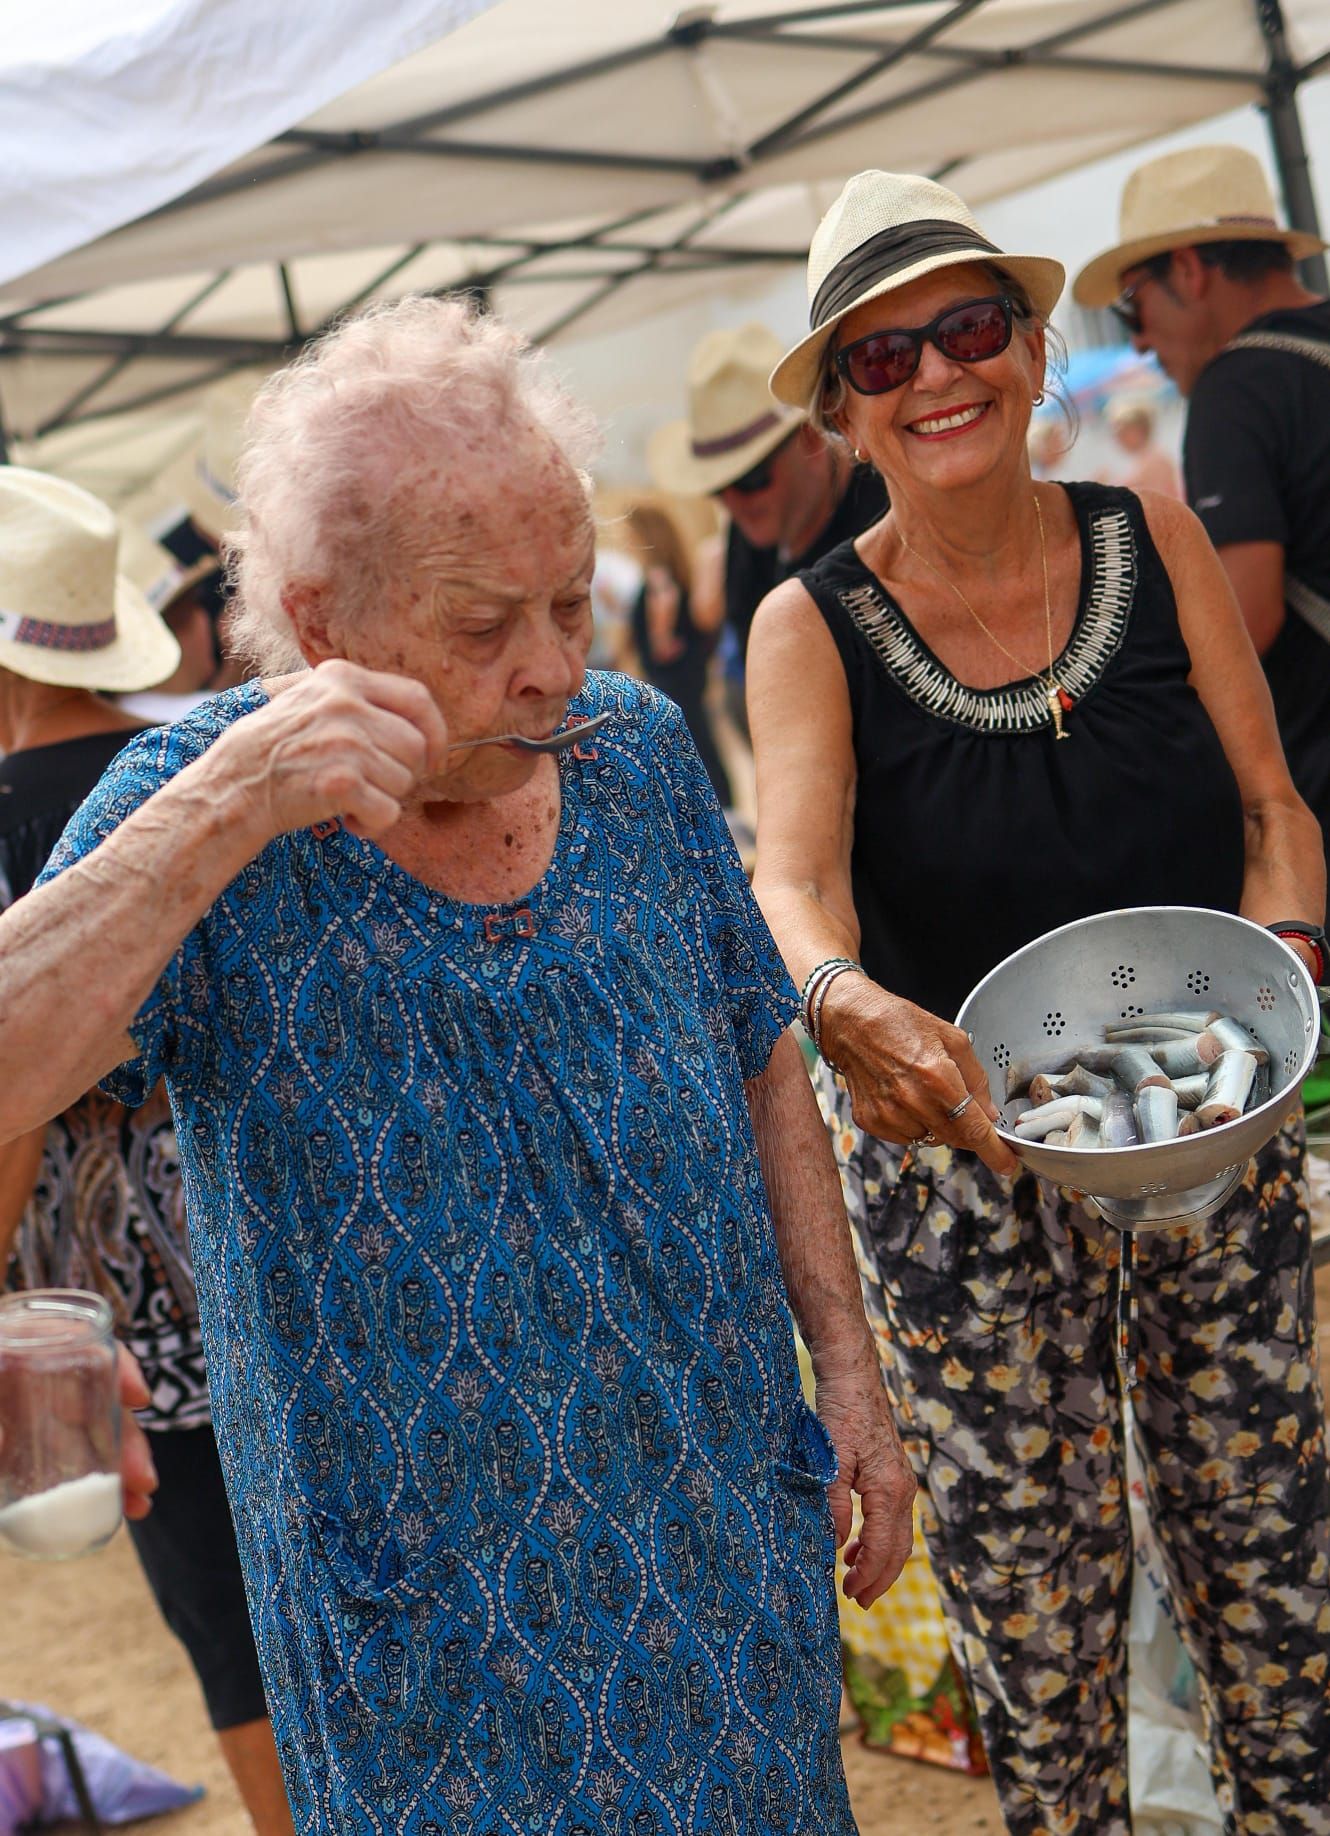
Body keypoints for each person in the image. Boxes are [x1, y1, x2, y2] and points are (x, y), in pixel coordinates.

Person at [0, 298, 915, 1835]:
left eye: (570, 601)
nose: (554, 665)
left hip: (715, 1550)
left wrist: (848, 1371)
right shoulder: (203, 807)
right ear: (326, 616)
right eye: (487, 627)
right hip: (423, 1630)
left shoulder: (627, 752)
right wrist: (228, 802)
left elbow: (757, 1045)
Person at [747, 167, 1330, 1835]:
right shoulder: (814, 624)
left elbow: (1276, 811)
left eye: (969, 327)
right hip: (964, 1167)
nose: (936, 375)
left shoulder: (1149, 529)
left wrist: (1281, 974)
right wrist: (841, 996)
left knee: (1275, 1582)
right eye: (882, 357)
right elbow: (790, 879)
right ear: (848, 405)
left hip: (1210, 1130)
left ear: (1033, 343)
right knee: (1038, 1619)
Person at [0, 467, 294, 1836]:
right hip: (281, 1248)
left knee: (228, 1629)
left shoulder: (9, 816)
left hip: (122, 1311)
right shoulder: (198, 766)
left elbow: (8, 1105)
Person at [1076, 144, 1330, 858]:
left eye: (1135, 306)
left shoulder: (1236, 387)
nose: (1143, 342)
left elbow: (1247, 619)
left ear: (1188, 268)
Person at [649, 324, 887, 735]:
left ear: (811, 441)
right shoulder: (749, 542)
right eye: (717, 487)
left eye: (751, 477)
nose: (735, 503)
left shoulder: (888, 507)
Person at [624, 501, 731, 804]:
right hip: (687, 673)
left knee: (688, 740)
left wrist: (660, 638)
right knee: (699, 737)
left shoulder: (658, 576)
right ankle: (721, 801)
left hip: (671, 675)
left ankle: (716, 803)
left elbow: (664, 602)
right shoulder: (677, 571)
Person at [1102, 395, 1181, 498]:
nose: (1117, 439)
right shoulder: (1149, 458)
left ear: (1138, 430)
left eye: (1122, 432)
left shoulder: (1155, 460)